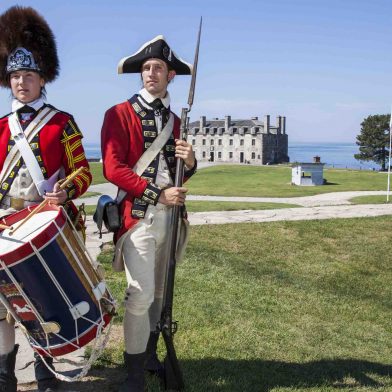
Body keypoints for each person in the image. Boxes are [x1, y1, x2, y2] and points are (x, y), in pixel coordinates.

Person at [0, 6, 92, 392]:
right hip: (6, 226)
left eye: (29, 76)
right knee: (3, 309)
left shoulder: (61, 122)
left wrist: (66, 190)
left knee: (43, 301)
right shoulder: (1, 127)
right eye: (16, 76)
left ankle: (44, 373)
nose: (22, 82)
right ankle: (5, 374)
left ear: (42, 81)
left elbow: (84, 172)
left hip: (47, 225)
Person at [101, 35, 197, 391]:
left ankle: (151, 355)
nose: (151, 73)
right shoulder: (119, 114)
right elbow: (113, 168)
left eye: (158, 68)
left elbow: (179, 174)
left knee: (159, 294)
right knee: (140, 294)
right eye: (145, 68)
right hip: (138, 216)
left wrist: (190, 162)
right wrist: (158, 192)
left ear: (170, 75)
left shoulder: (175, 120)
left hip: (171, 219)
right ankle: (134, 375)